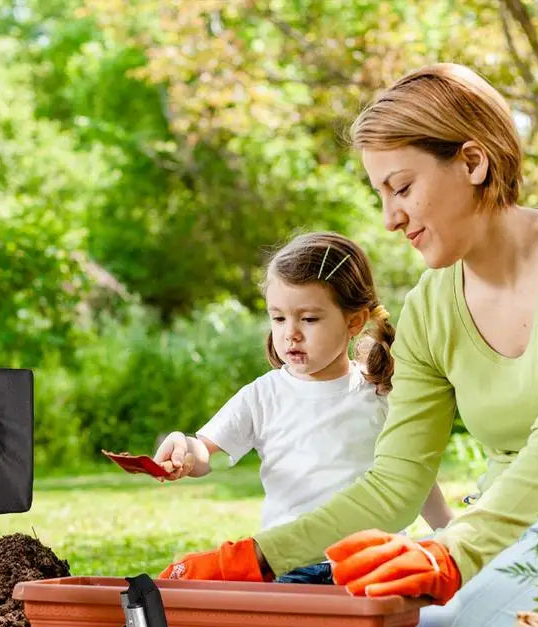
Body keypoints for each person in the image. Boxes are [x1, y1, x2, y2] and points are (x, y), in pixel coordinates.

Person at [159, 63, 538, 627]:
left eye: (402, 187)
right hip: (515, 520)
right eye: (381, 196)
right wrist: (256, 558)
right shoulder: (428, 309)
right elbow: (392, 483)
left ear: (473, 163)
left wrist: (450, 554)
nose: (391, 218)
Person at [154, 231, 453, 583]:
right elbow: (205, 453)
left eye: (308, 319)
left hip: (374, 560)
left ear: (353, 321)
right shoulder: (263, 396)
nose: (290, 334)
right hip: (293, 563)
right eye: (278, 318)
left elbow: (411, 478)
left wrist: (449, 530)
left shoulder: (380, 393)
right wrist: (184, 449)